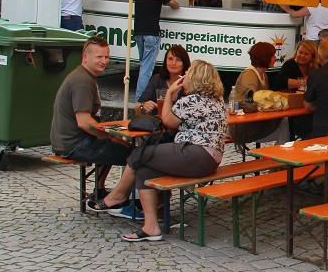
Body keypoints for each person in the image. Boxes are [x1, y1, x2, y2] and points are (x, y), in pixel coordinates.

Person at [97, 61, 228, 242]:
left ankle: (116, 196)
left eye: (188, 73)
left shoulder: (191, 100)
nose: (184, 77)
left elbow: (167, 122)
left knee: (138, 153)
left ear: (196, 79)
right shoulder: (217, 99)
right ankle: (151, 227)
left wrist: (169, 94)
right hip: (209, 159)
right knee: (144, 170)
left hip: (195, 154)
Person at [52, 37, 132, 182]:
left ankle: (99, 192)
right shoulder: (82, 81)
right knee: (136, 157)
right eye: (99, 57)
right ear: (85, 57)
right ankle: (117, 198)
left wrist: (110, 136)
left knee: (115, 145)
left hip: (66, 142)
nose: (104, 61)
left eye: (106, 57)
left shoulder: (83, 75)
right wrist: (109, 136)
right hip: (74, 145)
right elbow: (84, 122)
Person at [230, 42, 285, 147]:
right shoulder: (249, 75)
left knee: (286, 124)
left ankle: (280, 158)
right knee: (285, 124)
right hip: (245, 129)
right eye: (272, 55)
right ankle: (280, 159)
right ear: (265, 57)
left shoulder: (263, 75)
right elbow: (249, 103)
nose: (275, 58)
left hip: (256, 124)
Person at [132, 0, 179, 103]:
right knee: (146, 69)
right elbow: (175, 5)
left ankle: (140, 97)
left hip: (138, 32)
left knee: (143, 65)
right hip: (152, 33)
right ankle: (140, 100)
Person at [135, 45, 190, 115]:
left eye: (178, 60)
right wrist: (143, 106)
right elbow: (137, 107)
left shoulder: (189, 83)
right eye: (170, 59)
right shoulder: (157, 79)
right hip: (156, 123)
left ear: (184, 63)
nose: (173, 63)